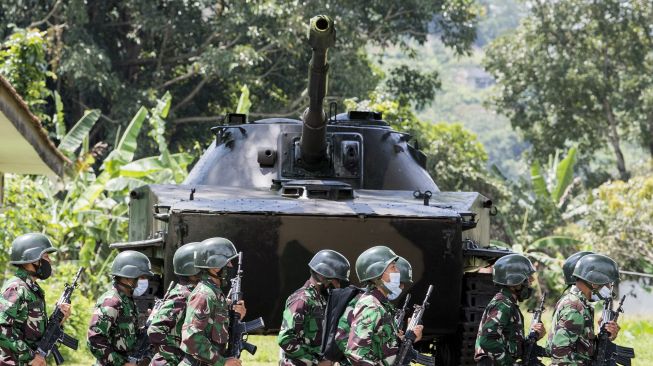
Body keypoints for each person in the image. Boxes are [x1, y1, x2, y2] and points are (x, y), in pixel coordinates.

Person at [342, 246, 423, 366]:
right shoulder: (371, 306)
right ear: (377, 273)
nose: (398, 272)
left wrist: (408, 338)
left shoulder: (381, 305)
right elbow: (356, 354)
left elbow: (379, 345)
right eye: (393, 267)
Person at [0, 233, 72, 365]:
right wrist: (30, 357)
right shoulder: (16, 288)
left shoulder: (32, 289)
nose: (49, 261)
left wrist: (59, 321)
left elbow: (34, 333)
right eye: (46, 256)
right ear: (33, 258)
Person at [179, 237, 246, 366]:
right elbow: (191, 338)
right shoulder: (204, 295)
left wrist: (236, 316)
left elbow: (215, 328)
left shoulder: (215, 293)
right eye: (228, 263)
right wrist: (222, 362)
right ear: (215, 266)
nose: (231, 266)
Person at [278, 249, 350, 366]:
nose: (338, 285)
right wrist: (316, 362)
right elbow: (286, 339)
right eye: (336, 280)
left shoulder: (322, 299)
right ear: (322, 276)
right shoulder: (301, 300)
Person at [548, 253, 621, 365]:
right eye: (608, 283)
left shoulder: (581, 304)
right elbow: (560, 354)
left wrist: (606, 336)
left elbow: (580, 347)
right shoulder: (574, 307)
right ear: (594, 283)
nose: (610, 288)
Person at [474, 254, 546, 365]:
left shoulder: (509, 304)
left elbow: (511, 344)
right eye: (527, 278)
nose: (531, 281)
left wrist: (534, 337)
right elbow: (487, 341)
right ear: (514, 282)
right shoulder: (502, 305)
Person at [88, 250, 154, 366]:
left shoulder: (127, 300)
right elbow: (94, 339)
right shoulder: (111, 301)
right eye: (141, 277)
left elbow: (129, 335)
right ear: (129, 277)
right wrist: (121, 363)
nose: (143, 281)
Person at [147, 242, 201, 365]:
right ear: (193, 270)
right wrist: (177, 358)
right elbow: (155, 330)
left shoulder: (194, 294)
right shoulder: (181, 295)